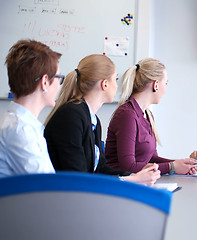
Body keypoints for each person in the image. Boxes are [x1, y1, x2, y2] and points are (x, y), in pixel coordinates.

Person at [44, 54, 160, 186]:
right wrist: (131, 180)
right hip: (65, 197)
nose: (117, 86)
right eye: (115, 79)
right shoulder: (71, 116)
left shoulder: (93, 120)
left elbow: (100, 169)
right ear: (104, 84)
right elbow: (77, 178)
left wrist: (135, 175)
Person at [105, 58, 197, 175]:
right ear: (156, 85)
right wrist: (172, 167)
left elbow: (151, 159)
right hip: (120, 184)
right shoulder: (127, 115)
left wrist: (181, 164)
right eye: (166, 83)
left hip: (139, 181)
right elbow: (128, 166)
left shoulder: (147, 115)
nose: (166, 89)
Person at [0, 39, 61, 177]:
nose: (59, 85)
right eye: (58, 78)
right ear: (45, 82)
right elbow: (46, 188)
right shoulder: (20, 130)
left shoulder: (22, 124)